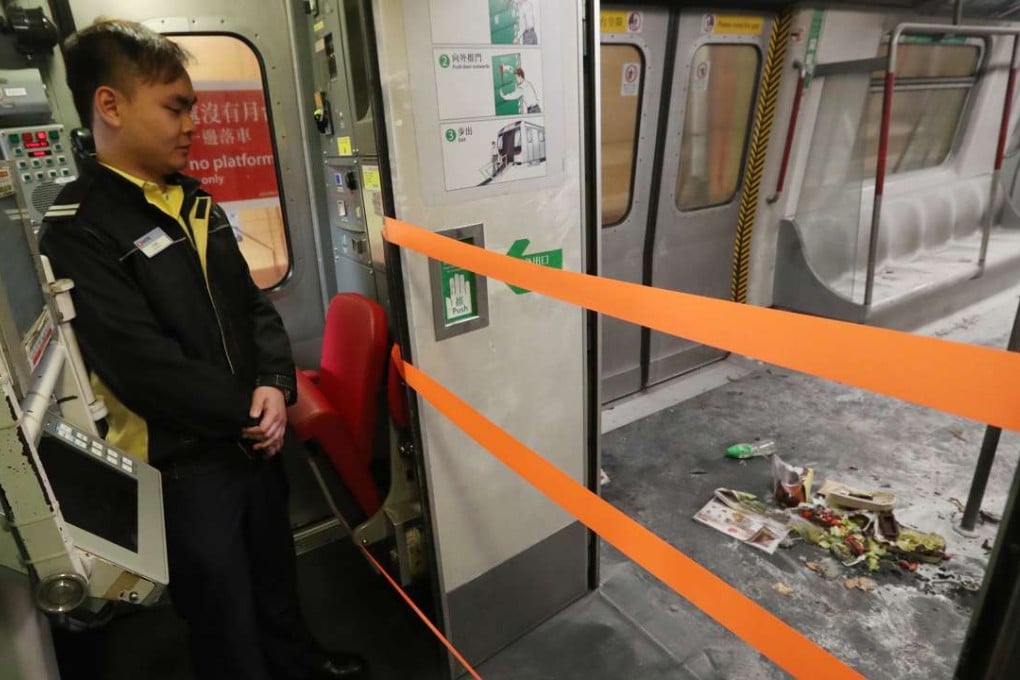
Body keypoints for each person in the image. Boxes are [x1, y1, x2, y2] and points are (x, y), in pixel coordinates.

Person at [39, 20, 366, 680]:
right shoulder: (80, 228)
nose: (192, 124)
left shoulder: (193, 199)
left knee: (275, 575)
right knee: (222, 613)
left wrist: (274, 383)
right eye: (175, 107)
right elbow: (142, 364)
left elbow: (252, 305)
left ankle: (298, 667)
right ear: (110, 105)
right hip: (186, 463)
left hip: (251, 437)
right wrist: (249, 412)